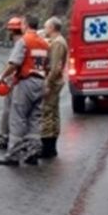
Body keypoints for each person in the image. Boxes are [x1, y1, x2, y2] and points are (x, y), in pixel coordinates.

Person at [0, 15, 50, 167]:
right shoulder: (45, 44)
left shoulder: (24, 41)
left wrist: (2, 77)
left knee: (18, 117)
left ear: (25, 25)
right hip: (40, 82)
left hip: (25, 82)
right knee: (35, 118)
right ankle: (32, 152)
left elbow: (14, 63)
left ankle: (13, 155)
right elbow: (49, 66)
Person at [0, 17, 25, 150]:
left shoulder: (19, 44)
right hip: (24, 82)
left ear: (11, 31)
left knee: (8, 110)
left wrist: (2, 77)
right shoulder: (25, 42)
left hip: (16, 82)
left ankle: (5, 137)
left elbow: (13, 64)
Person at [40, 17, 68, 159]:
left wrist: (47, 82)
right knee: (54, 113)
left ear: (52, 28)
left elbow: (55, 66)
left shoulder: (57, 43)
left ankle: (48, 147)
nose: (45, 30)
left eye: (46, 27)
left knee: (47, 113)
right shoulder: (60, 41)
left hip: (53, 82)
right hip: (56, 81)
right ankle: (52, 147)